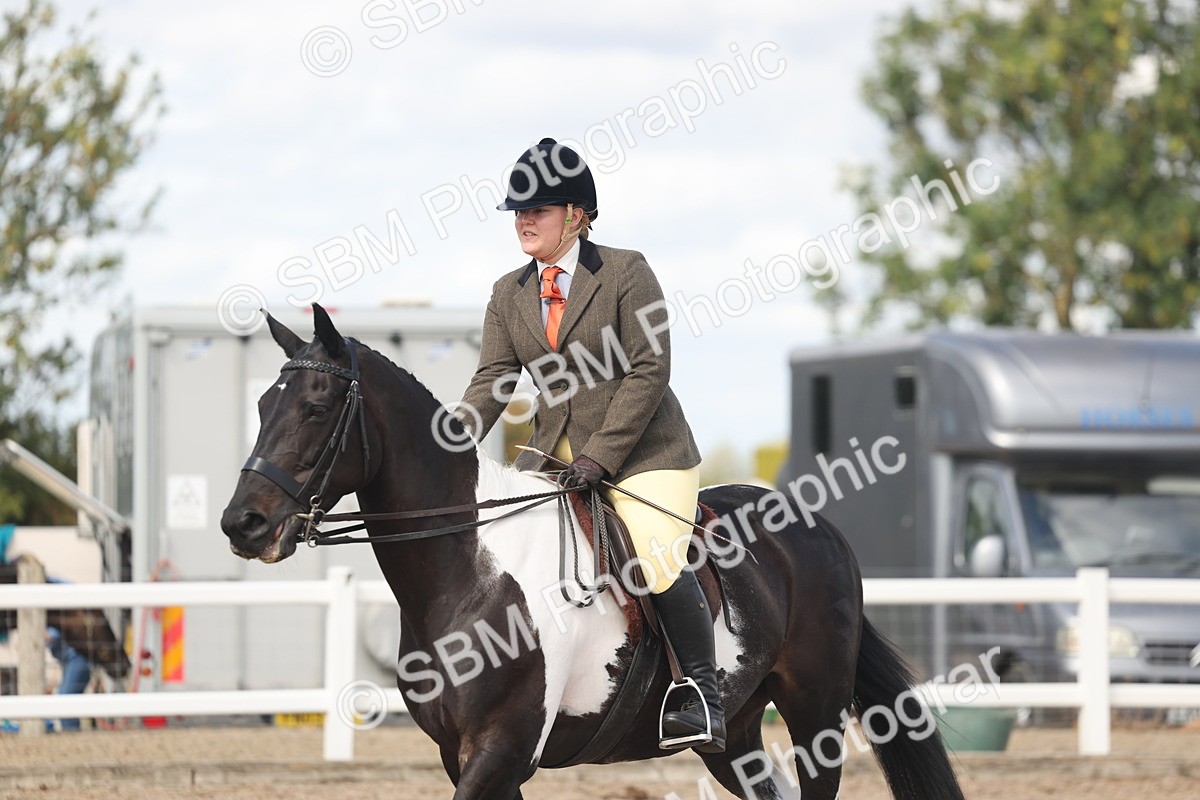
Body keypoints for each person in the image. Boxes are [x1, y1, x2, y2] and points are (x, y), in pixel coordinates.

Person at [457, 138, 724, 752]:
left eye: (539, 209)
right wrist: (449, 437)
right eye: (518, 211)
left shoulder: (626, 272)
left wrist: (600, 456)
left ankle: (700, 695)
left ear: (577, 216)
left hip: (643, 457)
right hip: (552, 457)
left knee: (655, 556)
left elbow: (648, 370)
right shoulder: (508, 293)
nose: (524, 220)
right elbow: (493, 380)